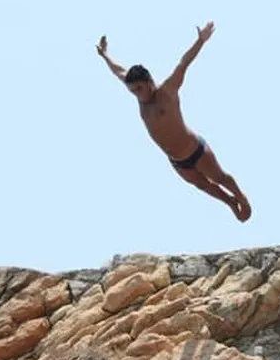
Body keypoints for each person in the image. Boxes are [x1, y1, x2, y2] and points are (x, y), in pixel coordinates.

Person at [96, 21, 252, 222]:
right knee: (202, 185)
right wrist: (105, 55)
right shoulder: (136, 91)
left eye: (139, 89)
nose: (137, 94)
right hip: (177, 161)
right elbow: (118, 70)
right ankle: (230, 202)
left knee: (219, 178)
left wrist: (200, 41)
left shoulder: (167, 92)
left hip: (195, 150)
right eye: (132, 91)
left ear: (150, 82)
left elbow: (183, 63)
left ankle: (241, 197)